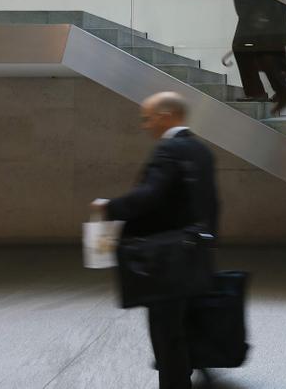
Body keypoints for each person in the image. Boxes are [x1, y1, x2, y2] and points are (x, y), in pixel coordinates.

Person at [90, 92, 219, 388]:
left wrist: (109, 207)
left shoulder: (168, 150)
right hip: (196, 248)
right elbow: (212, 203)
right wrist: (210, 242)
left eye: (146, 118)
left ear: (165, 116)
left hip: (167, 255)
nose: (144, 125)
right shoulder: (201, 150)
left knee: (166, 331)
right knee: (186, 318)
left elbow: (149, 196)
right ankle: (195, 365)